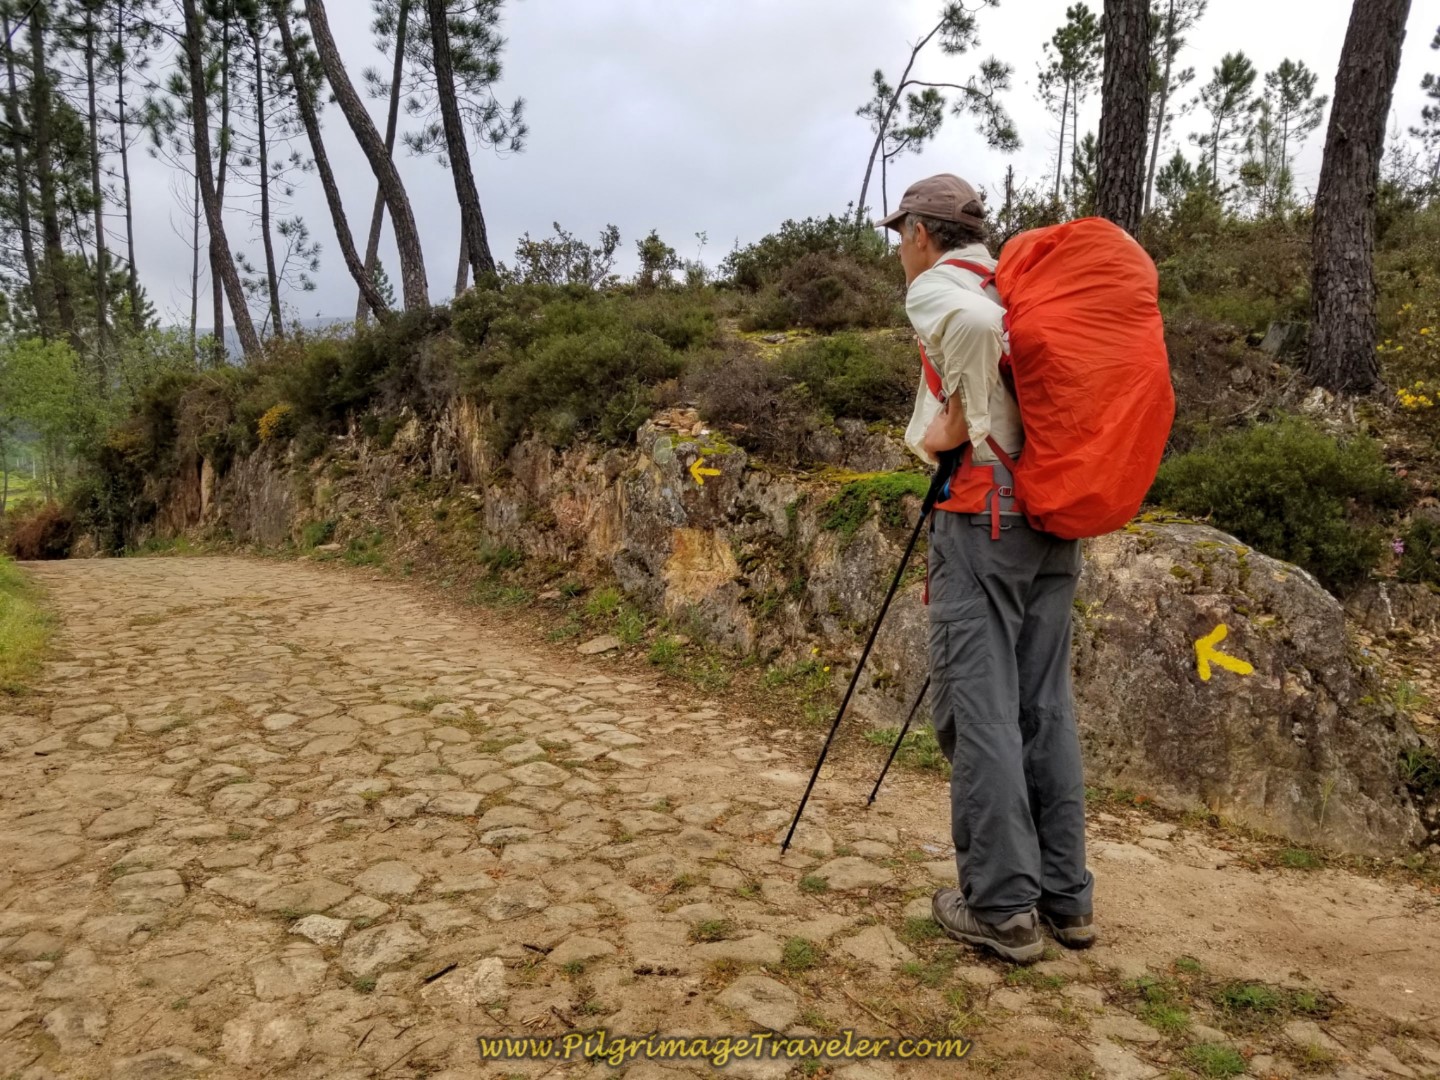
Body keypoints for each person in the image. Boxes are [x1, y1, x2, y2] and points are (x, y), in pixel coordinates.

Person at [877, 174, 1095, 964]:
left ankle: (1002, 907)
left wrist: (956, 425)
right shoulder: (1012, 284)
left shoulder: (943, 289)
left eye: (901, 235)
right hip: (1050, 509)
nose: (901, 250)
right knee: (1045, 705)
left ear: (921, 234)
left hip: (984, 512)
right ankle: (1067, 900)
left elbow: (966, 332)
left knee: (982, 711)